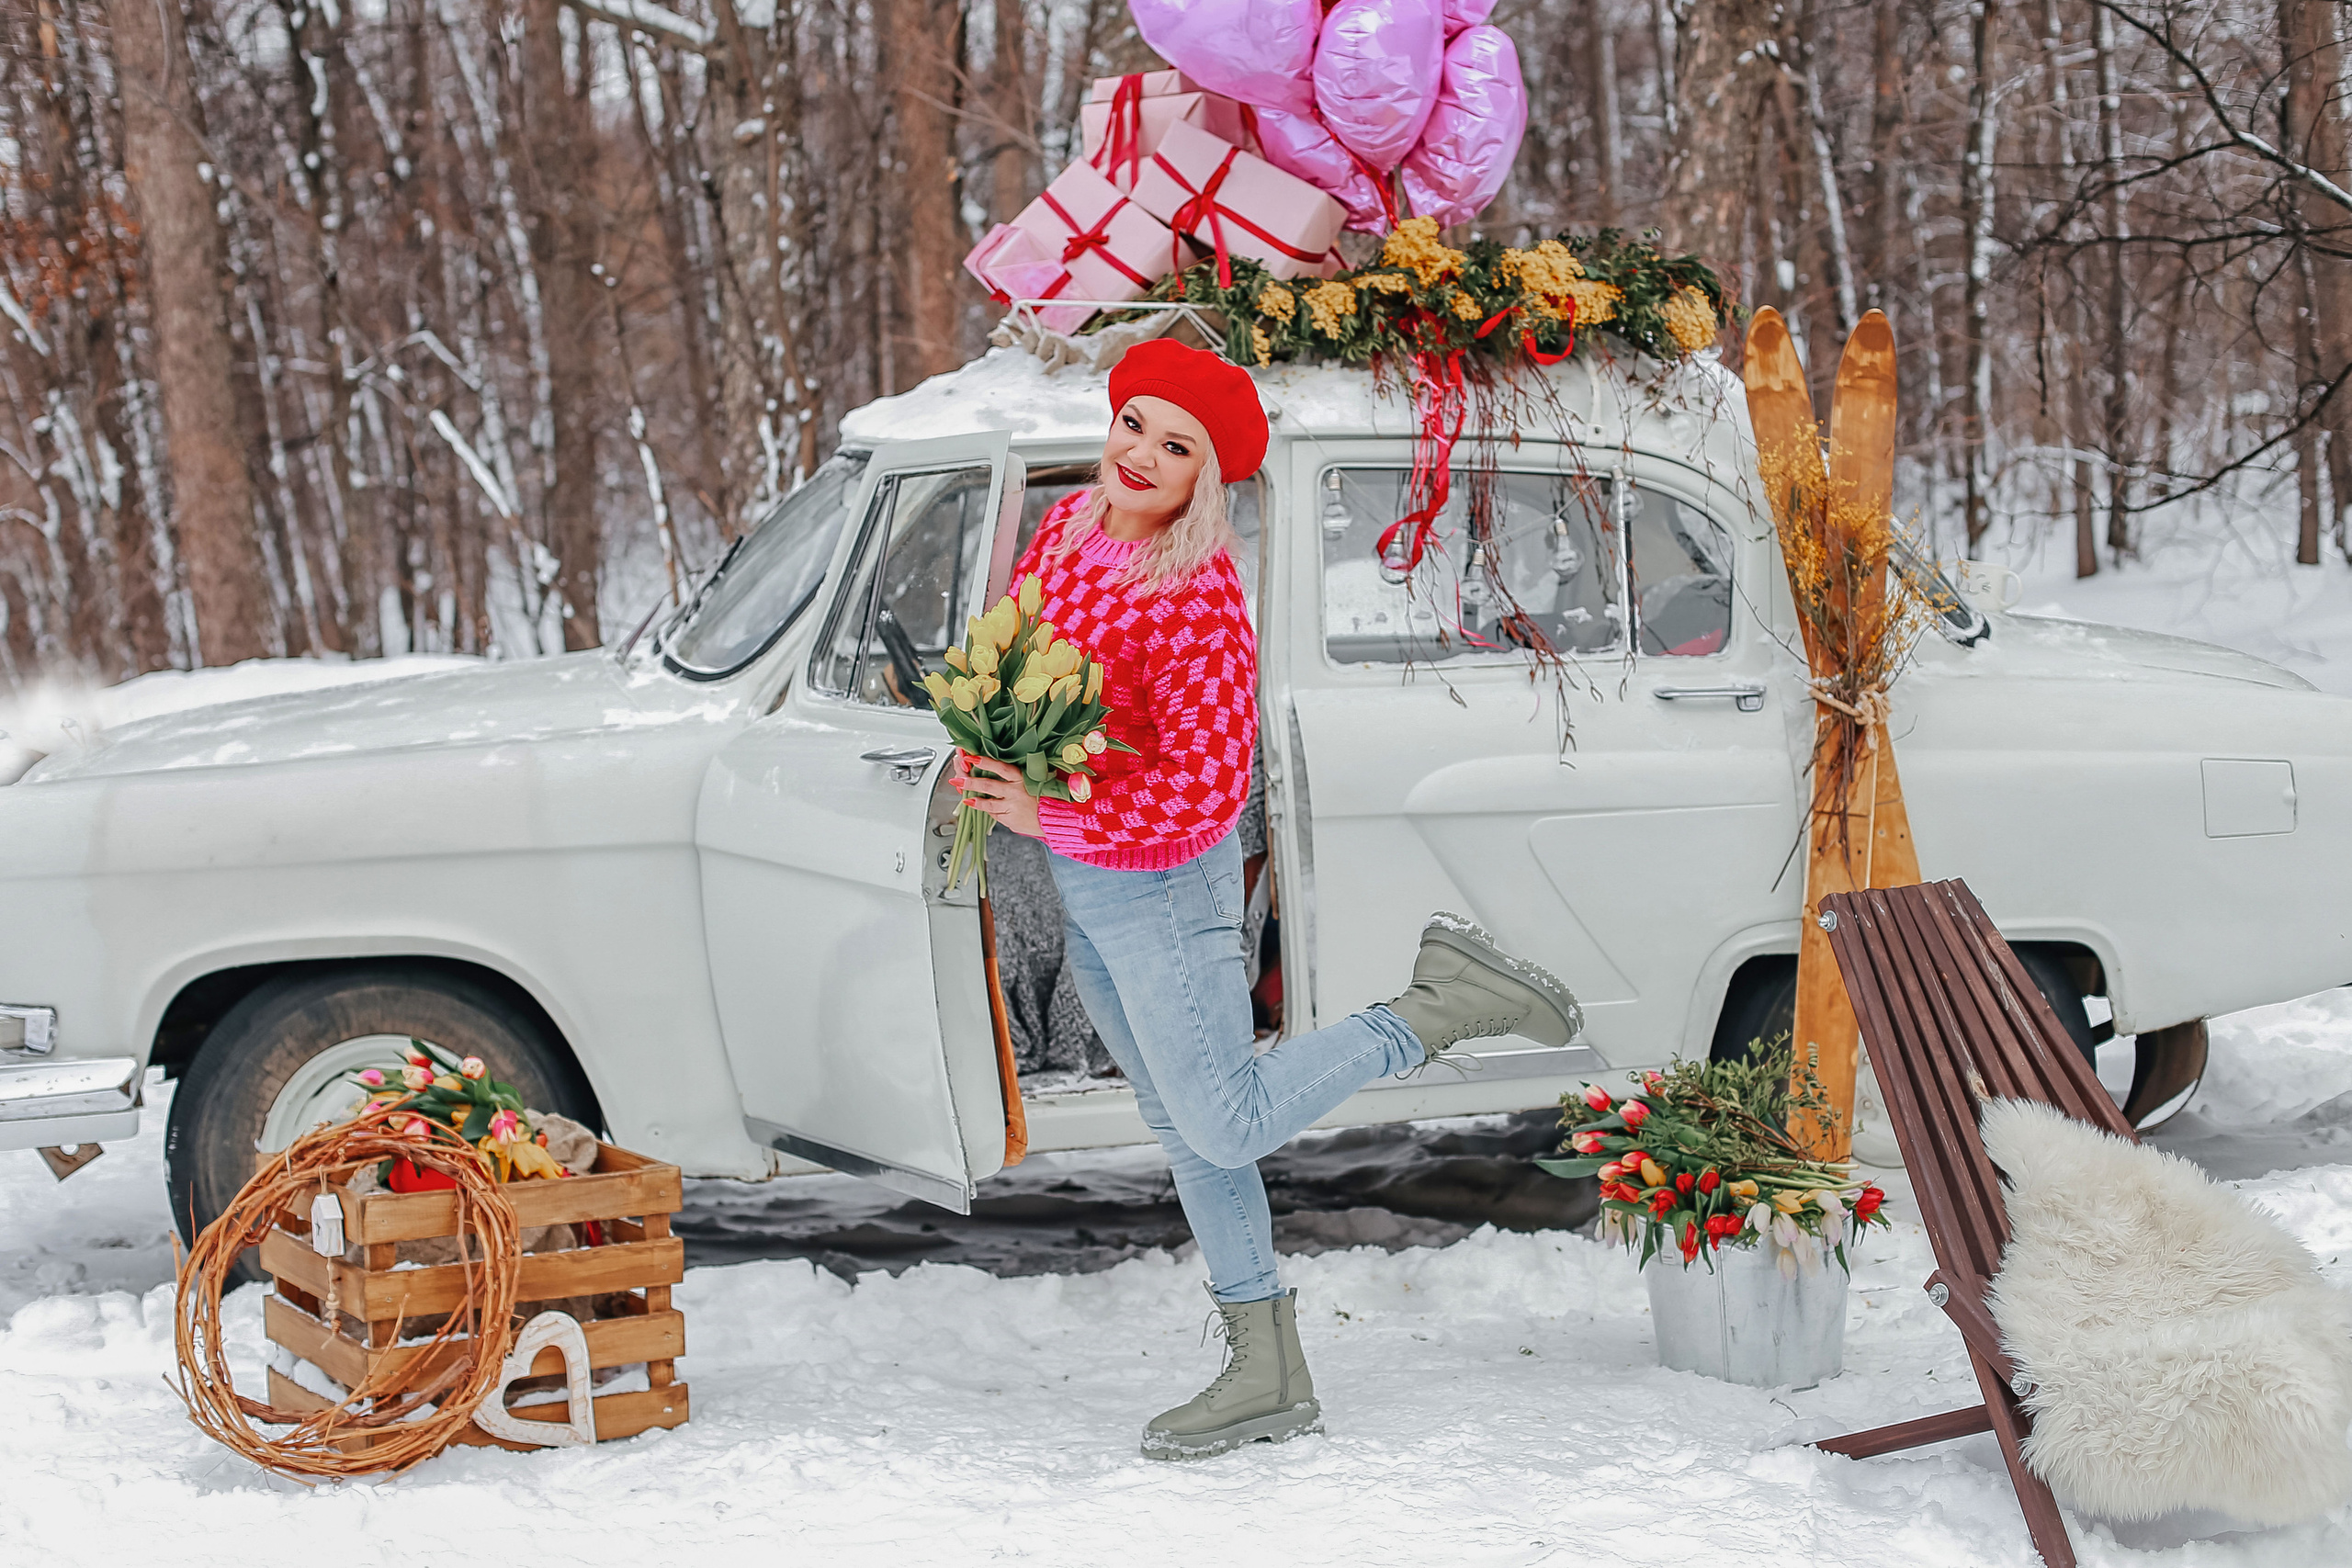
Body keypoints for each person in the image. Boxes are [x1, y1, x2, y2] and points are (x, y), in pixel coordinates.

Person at [954, 339, 1582, 1461]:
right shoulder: (1067, 531)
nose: (1141, 455)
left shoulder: (1196, 597)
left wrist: (1046, 814)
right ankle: (1268, 1373)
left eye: (1176, 446)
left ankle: (1432, 1008)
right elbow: (1033, 673)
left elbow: (1206, 790)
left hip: (1163, 883)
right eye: (1134, 424)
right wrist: (995, 739)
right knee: (1186, 1130)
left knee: (1224, 1118)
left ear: (1207, 474)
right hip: (1090, 880)